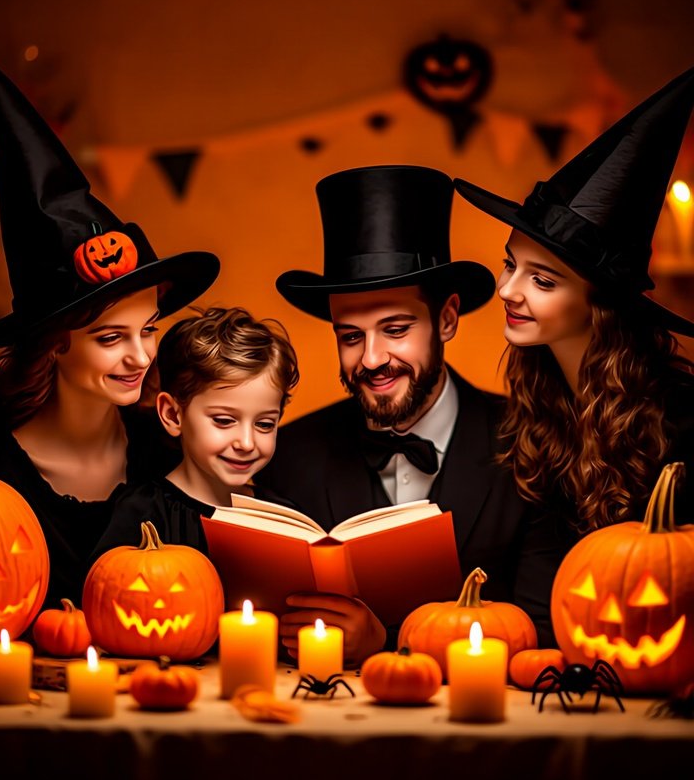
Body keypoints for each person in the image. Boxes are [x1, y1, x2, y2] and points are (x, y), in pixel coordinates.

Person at [258, 165, 568, 664]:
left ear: (445, 319)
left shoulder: (534, 441)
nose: (372, 359)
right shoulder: (288, 455)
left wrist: (387, 642)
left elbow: (544, 633)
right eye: (351, 336)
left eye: (396, 329)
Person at [0, 49, 220, 609]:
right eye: (111, 338)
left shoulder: (169, 453)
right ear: (54, 344)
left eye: (147, 330)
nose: (141, 357)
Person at [453, 66, 694, 536]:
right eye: (510, 264)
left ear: (599, 303)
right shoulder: (541, 401)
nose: (508, 290)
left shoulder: (680, 422)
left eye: (542, 281)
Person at [91, 306, 299, 559]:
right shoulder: (142, 513)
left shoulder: (284, 518)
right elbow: (109, 579)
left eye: (264, 424)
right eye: (224, 421)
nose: (247, 443)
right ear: (172, 414)